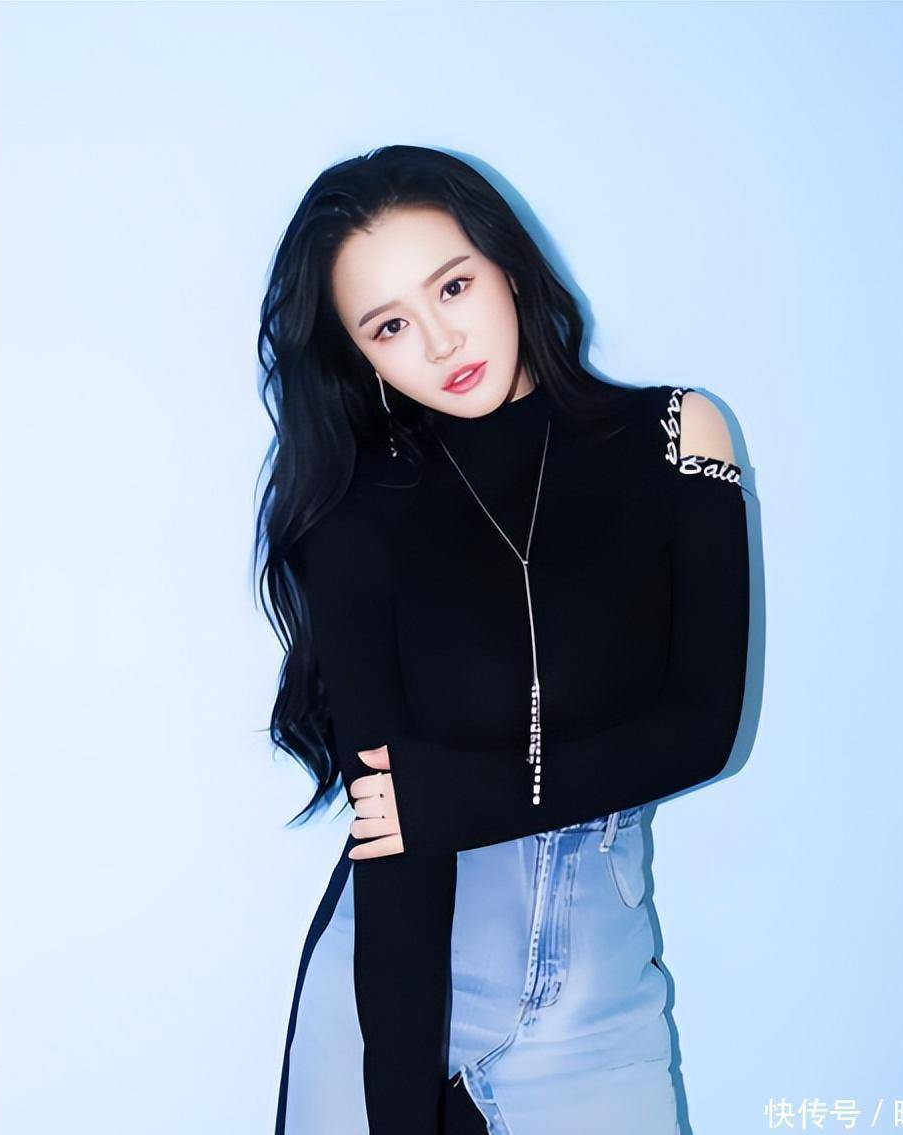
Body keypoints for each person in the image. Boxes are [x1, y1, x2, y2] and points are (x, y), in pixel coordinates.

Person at [253, 145, 752, 1135]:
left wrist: (463, 795)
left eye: (453, 286)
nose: (441, 340)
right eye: (391, 325)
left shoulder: (678, 436)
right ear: (361, 355)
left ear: (507, 264)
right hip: (397, 987)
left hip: (598, 999)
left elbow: (704, 729)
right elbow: (396, 848)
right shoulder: (356, 514)